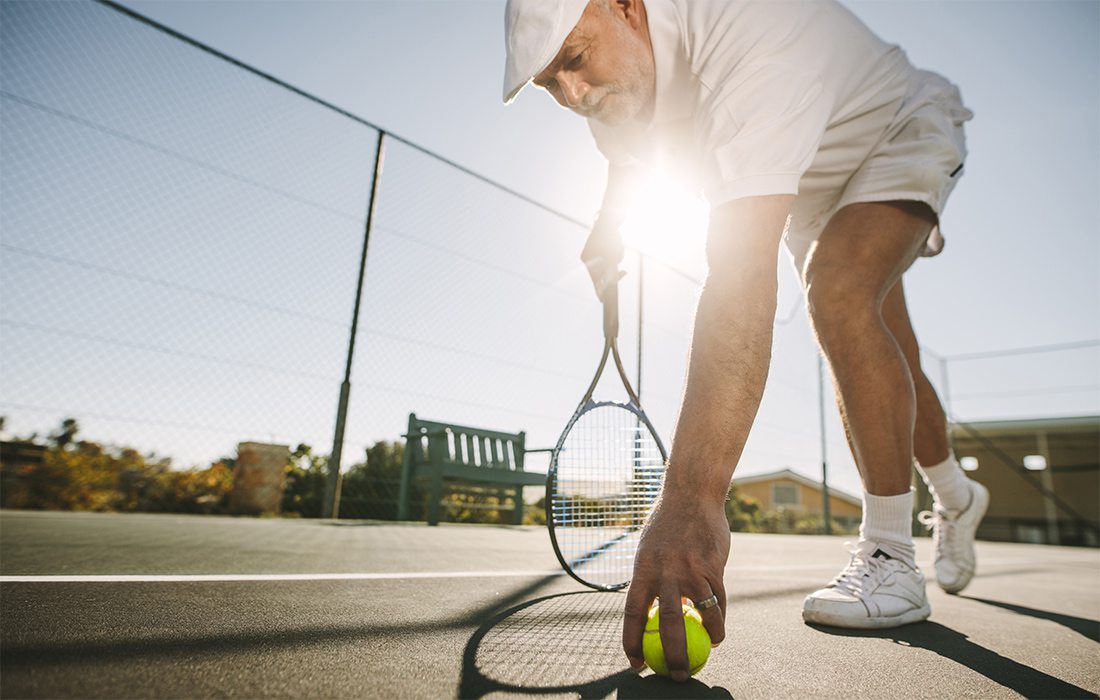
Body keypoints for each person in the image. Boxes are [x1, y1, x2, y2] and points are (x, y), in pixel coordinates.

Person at [503, 0, 990, 682]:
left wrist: (690, 501)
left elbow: (739, 274)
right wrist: (608, 226)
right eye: (550, 83)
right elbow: (626, 158)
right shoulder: (615, 86)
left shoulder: (752, 39)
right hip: (811, 176)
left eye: (576, 60)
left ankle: (891, 561)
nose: (572, 93)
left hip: (893, 125)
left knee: (840, 295)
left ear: (626, 7)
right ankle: (955, 494)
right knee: (888, 348)